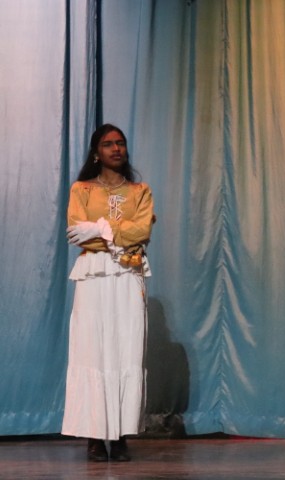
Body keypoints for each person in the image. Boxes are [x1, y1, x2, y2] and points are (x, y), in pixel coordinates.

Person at [62, 124, 154, 462]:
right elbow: (77, 232)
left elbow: (142, 232)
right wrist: (114, 234)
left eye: (120, 143)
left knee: (125, 349)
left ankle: (121, 435)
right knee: (93, 349)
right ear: (96, 152)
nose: (116, 148)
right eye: (107, 144)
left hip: (128, 273)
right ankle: (94, 436)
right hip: (94, 275)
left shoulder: (140, 191)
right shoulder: (82, 189)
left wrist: (99, 228)